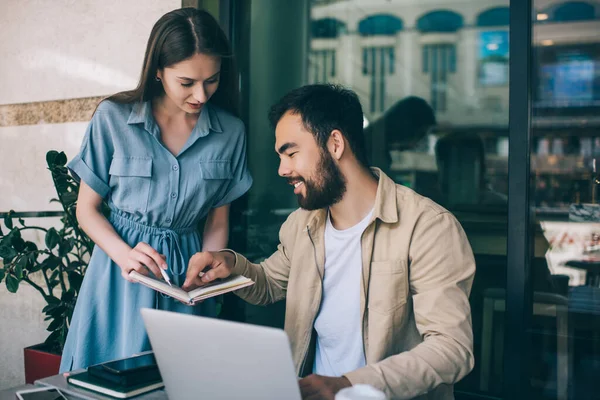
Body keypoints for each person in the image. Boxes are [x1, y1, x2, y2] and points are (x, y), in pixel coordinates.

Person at [185, 84, 476, 399]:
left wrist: (350, 384)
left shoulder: (428, 227)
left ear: (335, 143)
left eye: (292, 153)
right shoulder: (302, 224)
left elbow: (451, 349)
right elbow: (269, 283)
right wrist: (229, 265)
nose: (283, 170)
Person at [59, 8, 252, 372]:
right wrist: (123, 254)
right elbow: (86, 209)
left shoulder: (231, 132)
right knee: (110, 381)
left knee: (183, 382)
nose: (201, 94)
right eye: (187, 82)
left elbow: (216, 220)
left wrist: (207, 267)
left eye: (211, 80)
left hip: (187, 282)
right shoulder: (114, 118)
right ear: (159, 70)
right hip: (121, 277)